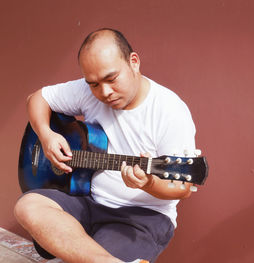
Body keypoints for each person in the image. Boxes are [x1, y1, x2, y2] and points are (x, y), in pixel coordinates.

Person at [14, 28, 197, 263]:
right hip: (88, 201)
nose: (105, 92)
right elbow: (37, 98)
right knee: (28, 205)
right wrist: (47, 135)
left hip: (141, 219)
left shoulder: (170, 111)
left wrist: (148, 183)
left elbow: (181, 188)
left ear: (134, 62)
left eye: (112, 79)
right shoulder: (90, 90)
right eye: (94, 84)